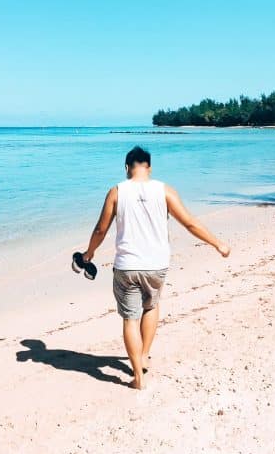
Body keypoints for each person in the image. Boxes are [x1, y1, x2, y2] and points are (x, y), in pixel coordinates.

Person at [80, 146, 230, 390]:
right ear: (149, 167)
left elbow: (100, 229)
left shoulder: (116, 191)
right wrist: (217, 243)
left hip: (127, 267)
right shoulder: (165, 191)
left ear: (127, 167)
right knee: (151, 306)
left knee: (130, 318)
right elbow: (190, 223)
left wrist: (89, 254)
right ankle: (145, 354)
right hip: (156, 265)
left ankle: (138, 377)